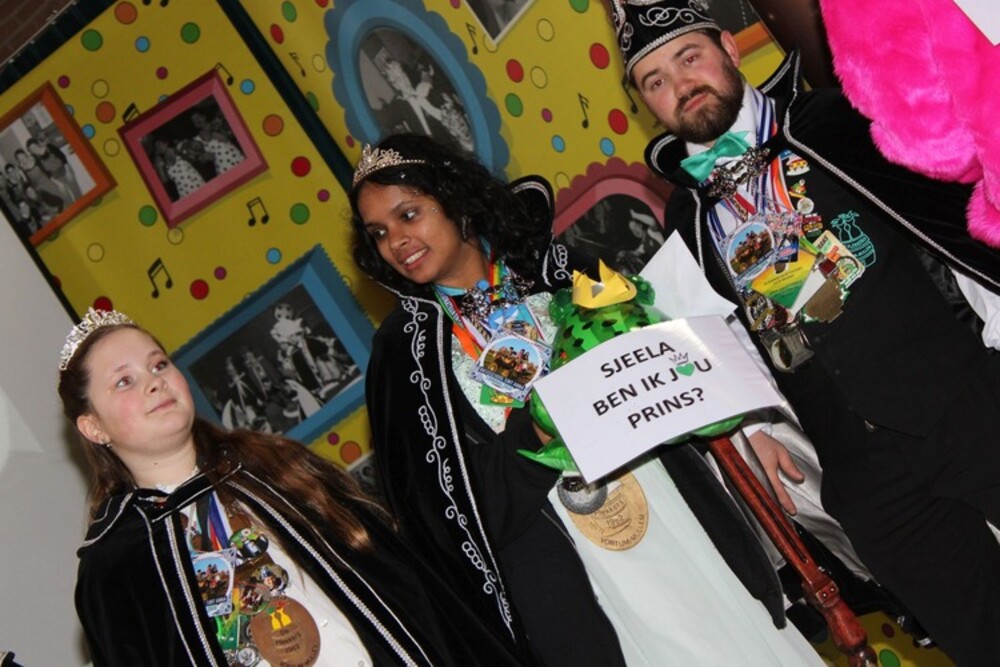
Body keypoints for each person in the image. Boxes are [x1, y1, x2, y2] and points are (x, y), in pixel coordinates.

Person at [609, 1, 1000, 662]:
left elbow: (954, 217)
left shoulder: (832, 123)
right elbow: (722, 330)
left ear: (729, 50)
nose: (680, 85)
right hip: (865, 474)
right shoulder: (686, 214)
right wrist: (752, 427)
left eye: (689, 57)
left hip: (964, 403)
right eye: (656, 80)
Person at [349, 132, 823, 665]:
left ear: (455, 201)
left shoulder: (556, 271)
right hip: (574, 580)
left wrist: (747, 428)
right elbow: (448, 523)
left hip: (676, 513)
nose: (396, 241)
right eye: (379, 233)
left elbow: (670, 371)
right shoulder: (405, 357)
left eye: (408, 214)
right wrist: (538, 431)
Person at [59, 307, 524, 666]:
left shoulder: (274, 468)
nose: (154, 383)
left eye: (159, 364)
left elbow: (410, 590)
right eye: (124, 381)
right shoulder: (114, 568)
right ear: (93, 426)